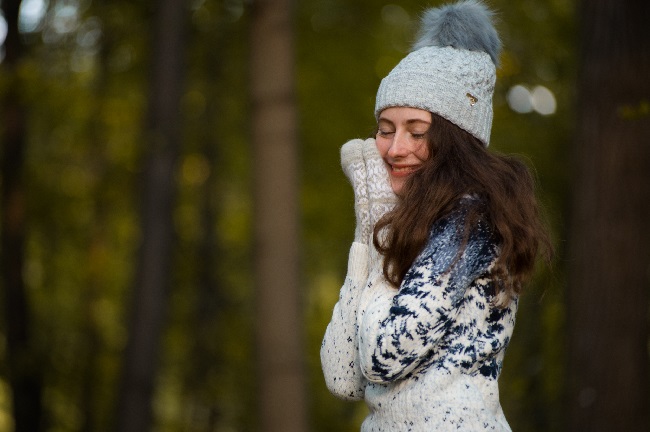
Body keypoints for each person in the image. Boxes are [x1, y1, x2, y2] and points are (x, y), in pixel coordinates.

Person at [320, 1, 552, 430]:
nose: (393, 149)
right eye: (385, 130)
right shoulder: (413, 226)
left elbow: (381, 357)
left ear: (455, 140)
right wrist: (368, 232)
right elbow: (342, 376)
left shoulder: (471, 222)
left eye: (416, 131)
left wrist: (376, 220)